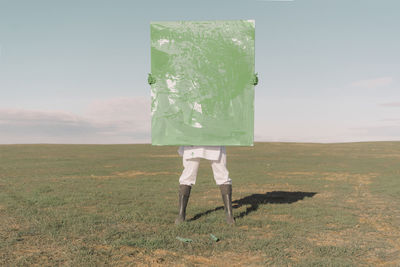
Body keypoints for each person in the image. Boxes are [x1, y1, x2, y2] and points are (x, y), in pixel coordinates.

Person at [175, 145, 235, 225]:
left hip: (215, 140)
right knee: (187, 175)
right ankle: (181, 214)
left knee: (222, 175)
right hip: (193, 141)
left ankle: (229, 215)